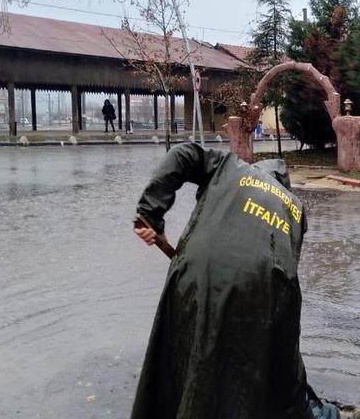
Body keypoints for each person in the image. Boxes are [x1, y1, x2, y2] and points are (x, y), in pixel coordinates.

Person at [131, 143, 339, 419]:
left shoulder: (230, 165)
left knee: (188, 348)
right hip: (267, 287)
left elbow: (181, 155)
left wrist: (150, 215)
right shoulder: (295, 207)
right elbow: (288, 269)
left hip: (199, 272)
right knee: (262, 362)